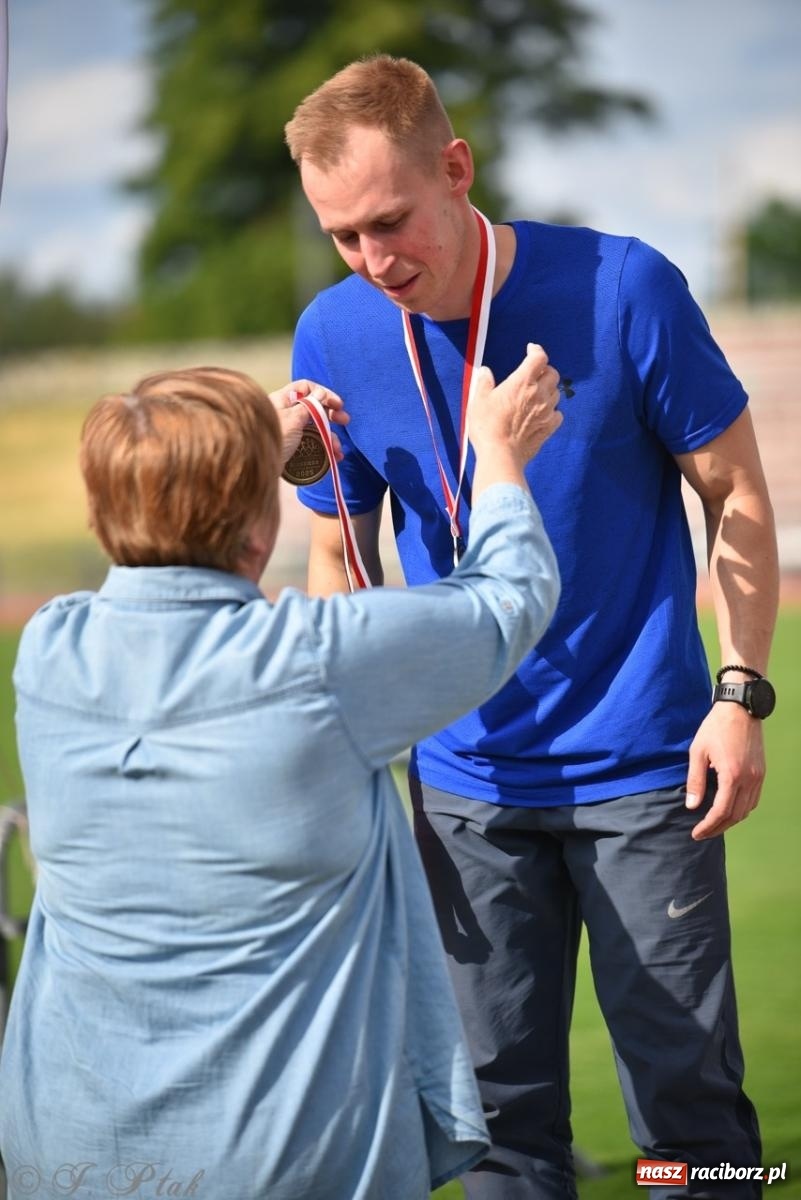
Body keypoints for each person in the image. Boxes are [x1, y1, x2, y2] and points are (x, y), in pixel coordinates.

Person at [284, 54, 780, 1199]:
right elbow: (335, 554)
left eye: (390, 222)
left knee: (690, 1112)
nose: (373, 262)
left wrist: (739, 690)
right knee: (496, 1121)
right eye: (342, 236)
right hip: (462, 788)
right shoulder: (339, 332)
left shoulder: (623, 288)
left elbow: (737, 493)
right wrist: (351, 748)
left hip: (651, 773)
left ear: (456, 169)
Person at [0, 362, 562, 1199]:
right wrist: (500, 458)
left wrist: (232, 446)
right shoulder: (315, 660)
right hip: (275, 1161)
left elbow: (161, 541)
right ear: (260, 529)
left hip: (64, 1153)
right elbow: (506, 600)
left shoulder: (48, 651)